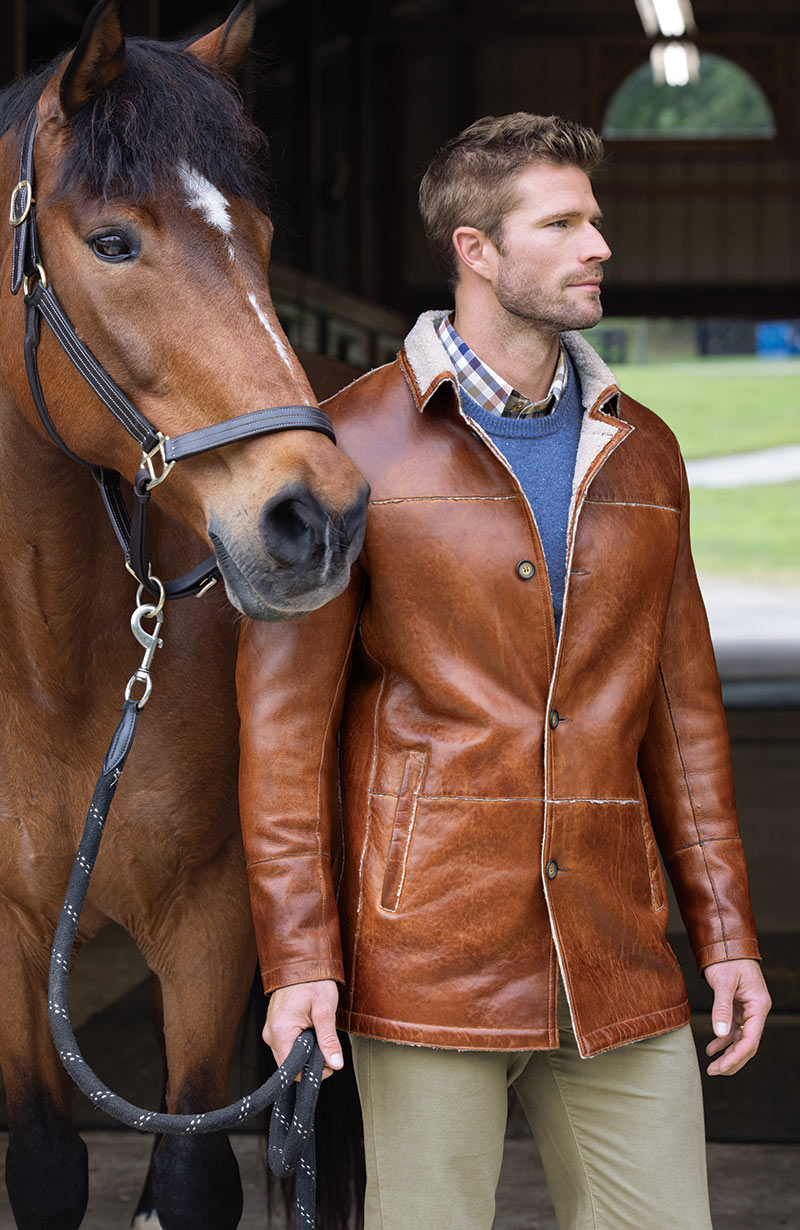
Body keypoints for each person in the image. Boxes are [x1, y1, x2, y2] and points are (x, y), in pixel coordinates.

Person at [236, 113, 771, 1230]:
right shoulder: (347, 447)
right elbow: (282, 736)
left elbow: (682, 718)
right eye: (561, 222)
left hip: (618, 954)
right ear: (474, 249)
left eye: (595, 219)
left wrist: (722, 934)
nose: (599, 245)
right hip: (424, 950)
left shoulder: (645, 448)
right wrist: (298, 960)